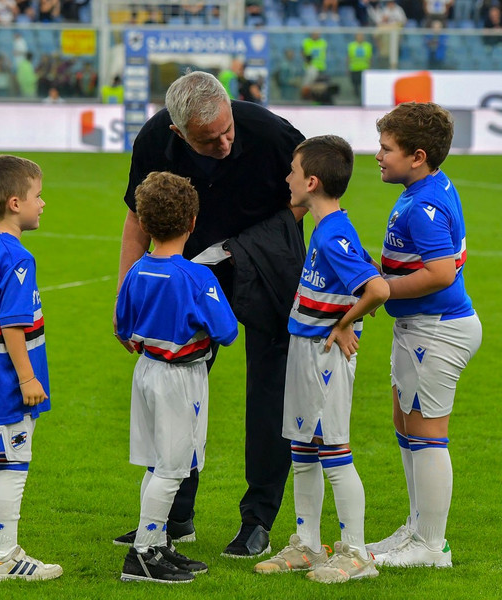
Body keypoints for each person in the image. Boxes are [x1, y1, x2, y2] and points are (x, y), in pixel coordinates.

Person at [113, 71, 305, 557]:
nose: (223, 142)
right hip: (192, 273)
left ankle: (258, 518)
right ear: (179, 133)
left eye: (227, 130)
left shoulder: (270, 132)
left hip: (267, 266)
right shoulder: (156, 138)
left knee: (269, 391)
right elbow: (137, 216)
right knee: (180, 388)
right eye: (208, 138)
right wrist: (126, 295)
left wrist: (247, 249)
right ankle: (173, 519)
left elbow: (308, 196)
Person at [253, 135, 389, 583]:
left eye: (292, 171)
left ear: (311, 182)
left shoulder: (332, 233)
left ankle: (356, 553)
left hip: (325, 354)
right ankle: (308, 545)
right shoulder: (326, 228)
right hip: (306, 348)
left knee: (334, 451)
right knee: (304, 449)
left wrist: (345, 323)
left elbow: (377, 288)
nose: (287, 178)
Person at [367, 102, 482, 567]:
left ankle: (431, 546)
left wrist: (381, 290)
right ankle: (417, 528)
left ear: (417, 156)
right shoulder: (426, 187)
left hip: (438, 330)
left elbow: (438, 274)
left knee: (428, 431)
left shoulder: (425, 205)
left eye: (385, 148)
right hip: (420, 326)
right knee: (405, 423)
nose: (377, 155)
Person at [117, 171, 239, 583]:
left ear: (145, 225)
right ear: (192, 223)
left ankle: (158, 540)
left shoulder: (135, 272)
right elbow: (227, 331)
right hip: (181, 376)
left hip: (147, 370)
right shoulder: (197, 277)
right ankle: (144, 554)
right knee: (174, 466)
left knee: (158, 463)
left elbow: (122, 326)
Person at [0, 155, 62, 581]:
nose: (44, 204)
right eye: (38, 196)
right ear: (16, 203)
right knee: (14, 465)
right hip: (6, 380)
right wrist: (27, 377)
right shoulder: (18, 257)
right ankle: (5, 556)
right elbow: (14, 324)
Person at [348, 32, 372, 100]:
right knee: (355, 84)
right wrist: (348, 67)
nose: (360, 38)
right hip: (354, 68)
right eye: (359, 36)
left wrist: (369, 67)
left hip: (364, 68)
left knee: (364, 85)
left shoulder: (367, 45)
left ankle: (363, 98)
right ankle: (356, 97)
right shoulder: (351, 45)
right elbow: (349, 57)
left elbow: (369, 57)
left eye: (361, 36)